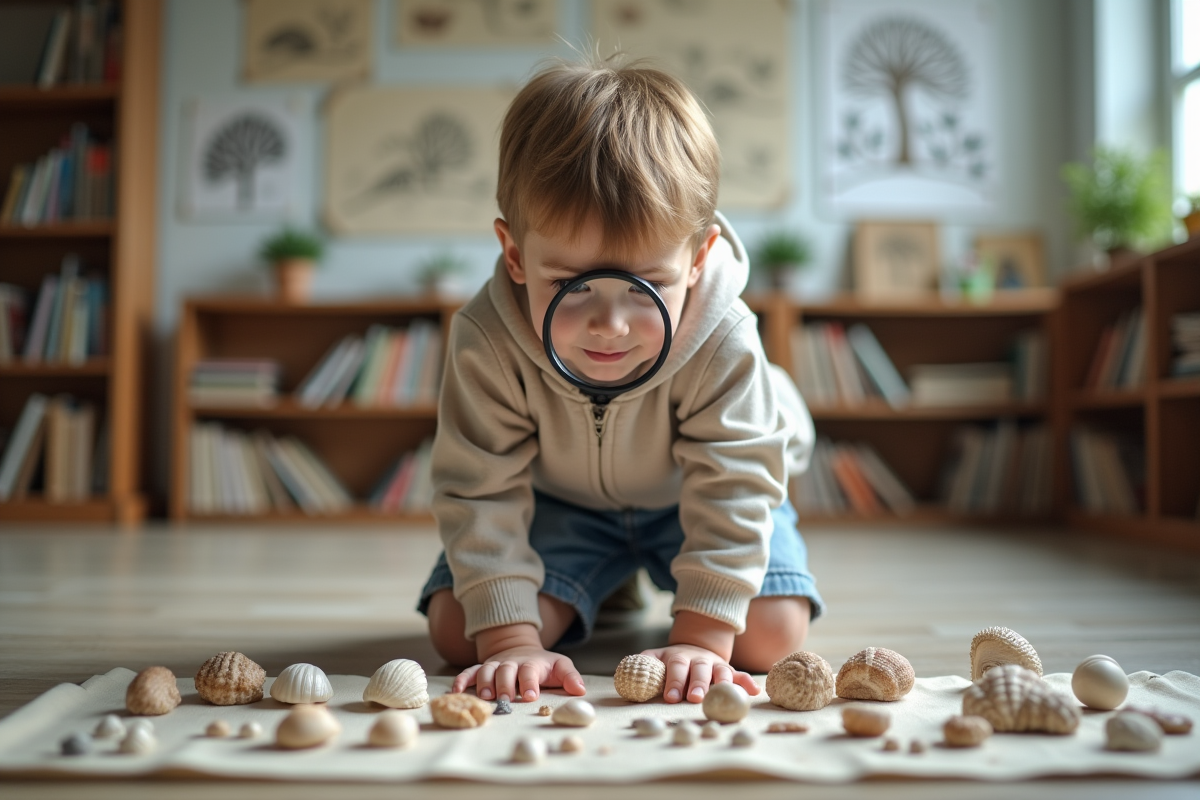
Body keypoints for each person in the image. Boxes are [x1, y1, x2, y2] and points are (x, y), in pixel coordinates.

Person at [419, 54, 824, 708]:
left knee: (770, 636)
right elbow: (478, 487)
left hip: (700, 493)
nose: (609, 326)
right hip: (565, 504)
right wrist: (511, 643)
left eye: (648, 287)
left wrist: (702, 637)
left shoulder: (725, 336)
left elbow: (737, 479)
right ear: (516, 256)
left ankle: (609, 586)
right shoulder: (487, 341)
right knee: (458, 635)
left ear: (698, 260)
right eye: (569, 286)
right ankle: (603, 582)